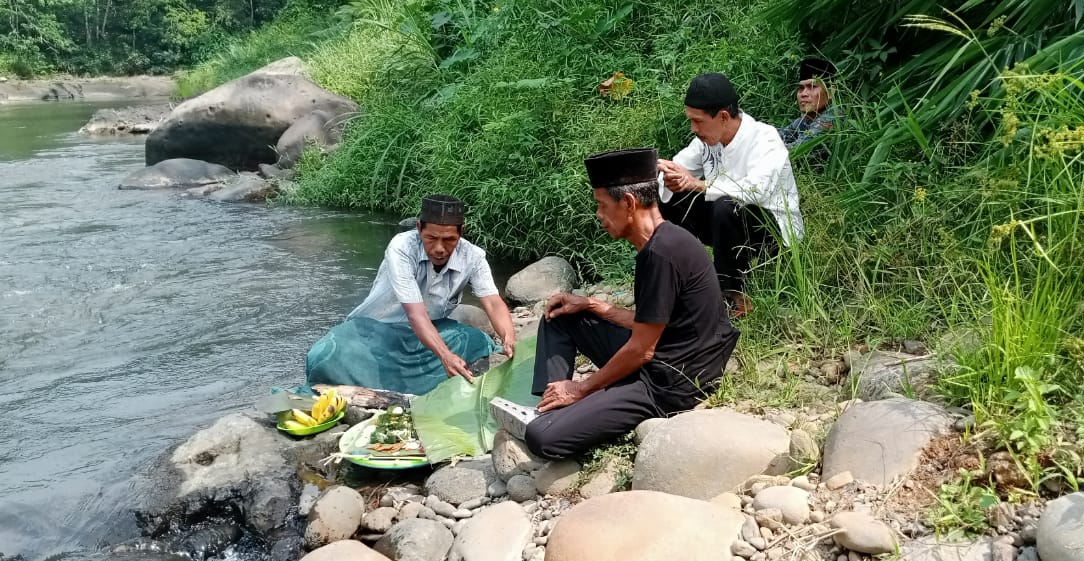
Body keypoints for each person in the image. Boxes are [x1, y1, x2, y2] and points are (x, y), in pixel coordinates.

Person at [495, 148, 739, 460]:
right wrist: (590, 305)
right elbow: (650, 323)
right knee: (561, 316)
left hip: (671, 382)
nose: (598, 215)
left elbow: (642, 350)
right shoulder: (663, 241)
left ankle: (552, 415)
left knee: (542, 438)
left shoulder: (662, 254)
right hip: (662, 356)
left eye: (602, 205)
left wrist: (582, 388)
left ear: (628, 203)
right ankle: (549, 403)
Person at [305, 194, 516, 395]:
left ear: (462, 231)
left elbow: (493, 303)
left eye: (450, 239)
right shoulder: (402, 248)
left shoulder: (473, 257)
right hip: (377, 331)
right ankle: (426, 382)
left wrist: (509, 337)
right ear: (418, 228)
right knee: (325, 355)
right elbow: (415, 314)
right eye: (431, 238)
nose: (440, 248)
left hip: (429, 332)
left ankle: (400, 383)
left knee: (476, 340)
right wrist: (445, 356)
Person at [656, 72, 805, 317]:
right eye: (690, 121)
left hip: (772, 234)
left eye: (698, 121)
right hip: (726, 226)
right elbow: (679, 167)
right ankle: (686, 282)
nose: (694, 129)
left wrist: (700, 185)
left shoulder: (764, 137)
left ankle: (732, 294)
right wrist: (667, 173)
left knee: (726, 205)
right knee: (671, 197)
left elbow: (756, 189)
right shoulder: (705, 141)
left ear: (723, 116)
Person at [778, 58, 843, 150]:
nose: (804, 94)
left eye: (812, 87)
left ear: (831, 91)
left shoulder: (833, 117)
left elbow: (799, 150)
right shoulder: (805, 120)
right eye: (801, 88)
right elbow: (780, 135)